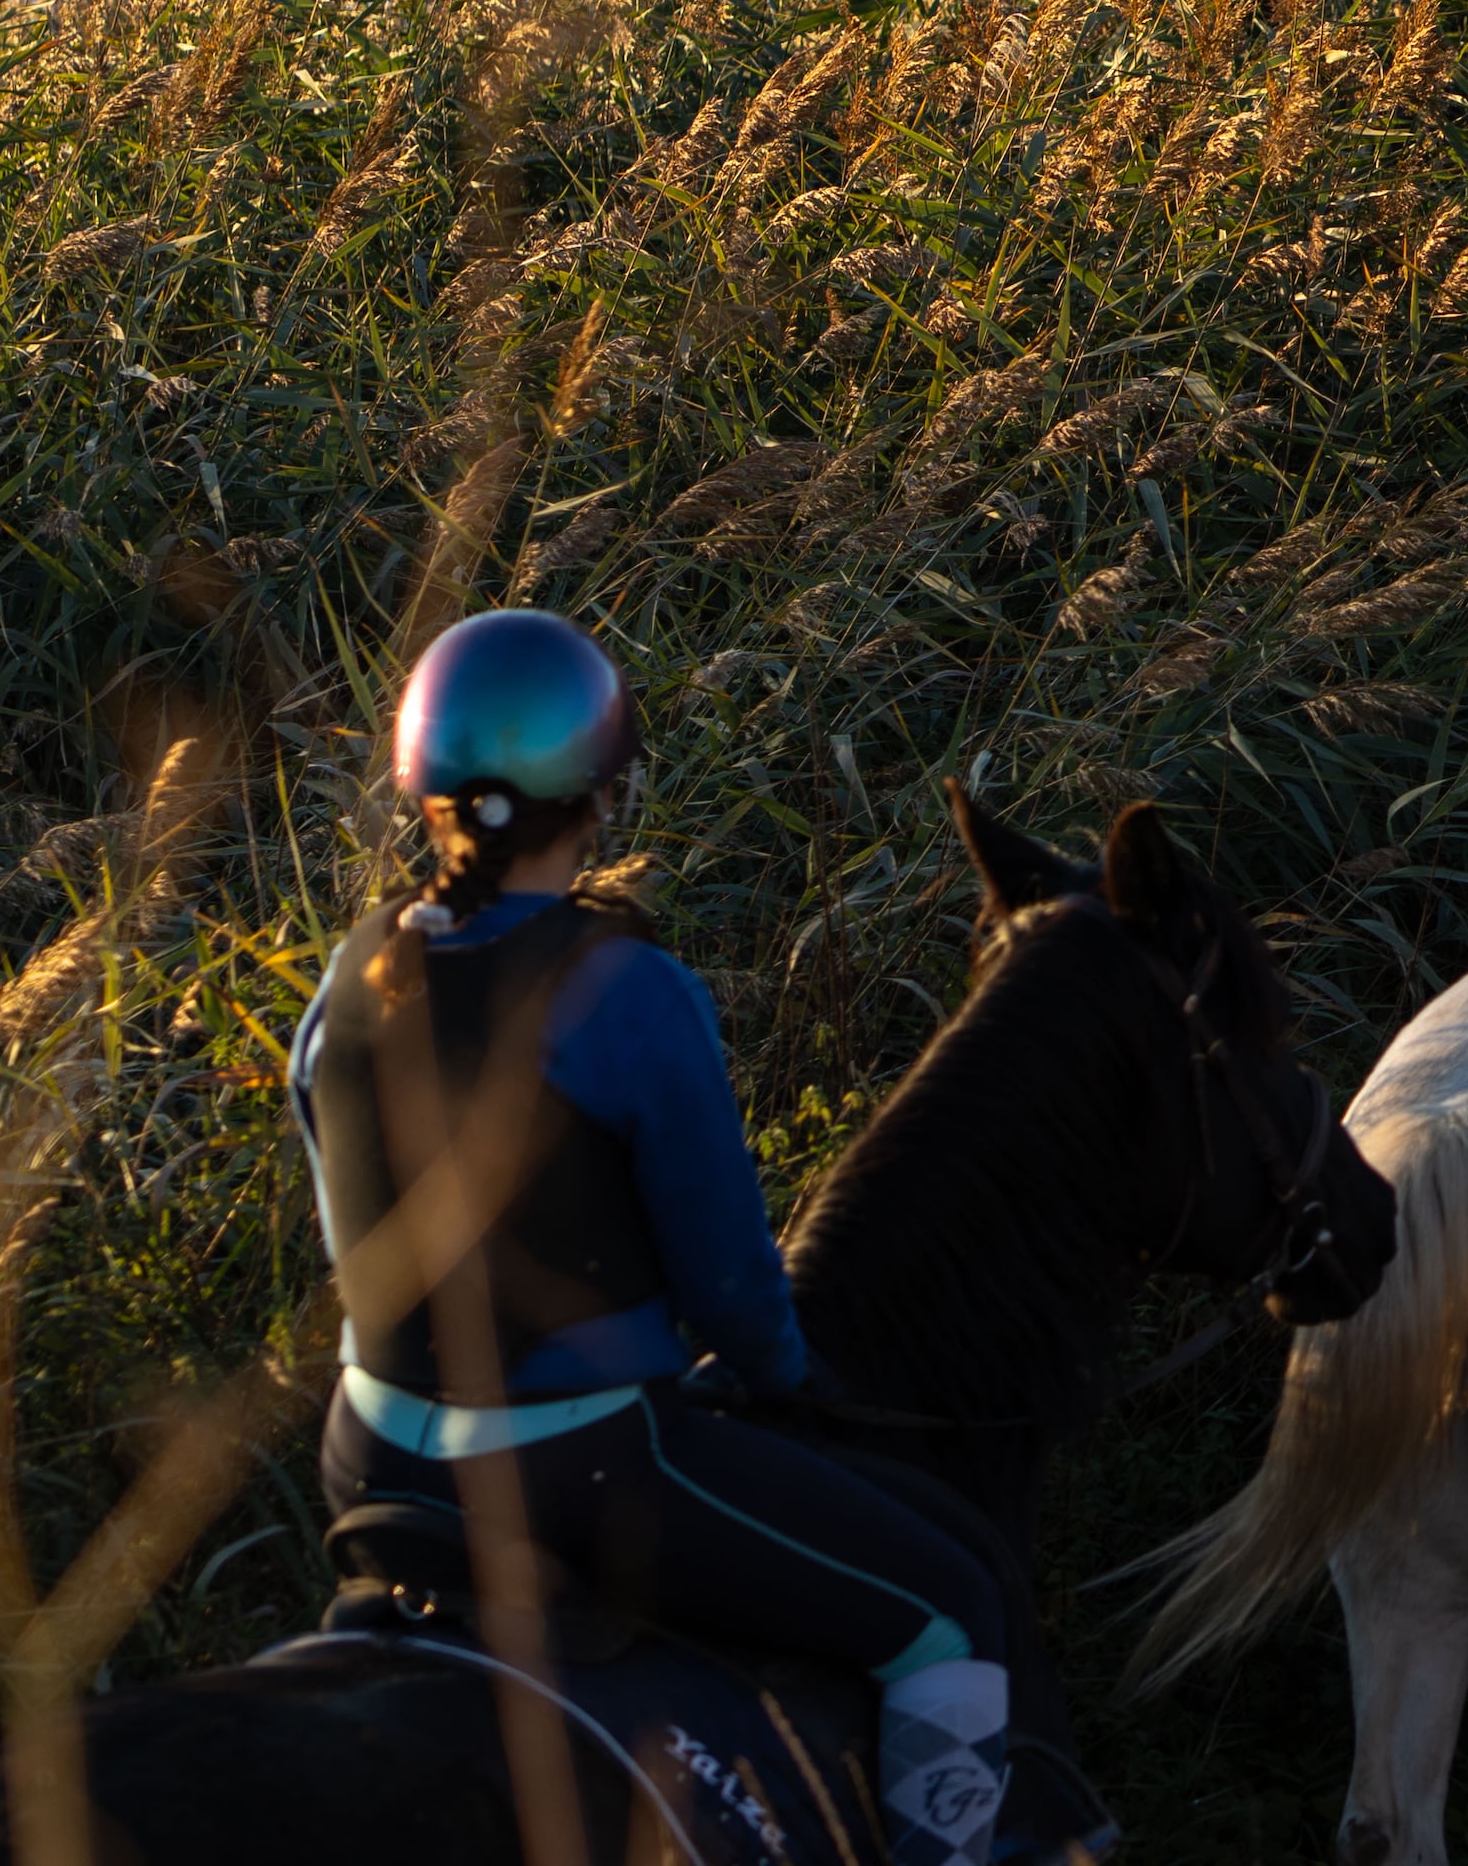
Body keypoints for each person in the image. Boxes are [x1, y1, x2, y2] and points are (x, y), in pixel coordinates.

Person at [288, 608, 1018, 1866]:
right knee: (950, 1613)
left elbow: (343, 1222)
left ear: (421, 789)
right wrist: (783, 1375)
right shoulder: (626, 991)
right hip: (578, 1467)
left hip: (370, 1456)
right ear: (601, 796)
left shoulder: (349, 973)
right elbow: (729, 1284)